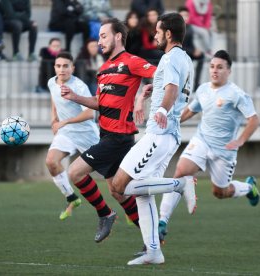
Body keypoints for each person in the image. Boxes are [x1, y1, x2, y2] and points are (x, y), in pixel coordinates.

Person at [110, 12, 196, 265]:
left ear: (169, 34)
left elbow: (172, 89)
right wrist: (151, 92)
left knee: (119, 185)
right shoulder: (185, 58)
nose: (154, 34)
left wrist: (160, 110)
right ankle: (153, 251)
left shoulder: (169, 58)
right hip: (169, 135)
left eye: (158, 31)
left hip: (159, 134)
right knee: (142, 193)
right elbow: (171, 87)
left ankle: (180, 185)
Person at [61, 18, 156, 243]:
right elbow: (99, 103)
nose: (99, 40)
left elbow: (159, 74)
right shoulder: (103, 70)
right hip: (107, 135)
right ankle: (153, 239)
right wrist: (75, 97)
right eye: (99, 36)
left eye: (103, 36)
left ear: (118, 36)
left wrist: (142, 95)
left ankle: (105, 214)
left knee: (74, 172)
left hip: (119, 138)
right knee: (117, 191)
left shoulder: (131, 61)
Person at [157, 50, 260, 245]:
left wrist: (240, 140)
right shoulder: (203, 89)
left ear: (228, 71)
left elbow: (254, 120)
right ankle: (162, 221)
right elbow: (191, 109)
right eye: (212, 66)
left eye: (220, 67)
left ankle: (249, 188)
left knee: (219, 192)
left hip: (224, 151)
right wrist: (172, 122)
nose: (215, 70)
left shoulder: (237, 94)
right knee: (179, 172)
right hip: (202, 141)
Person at [46, 51, 99, 220]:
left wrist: (64, 121)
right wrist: (54, 119)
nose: (62, 69)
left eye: (66, 66)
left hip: (87, 135)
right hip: (67, 134)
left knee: (114, 180)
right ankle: (72, 198)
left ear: (72, 68)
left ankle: (130, 206)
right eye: (58, 66)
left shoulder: (79, 86)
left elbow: (91, 114)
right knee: (51, 162)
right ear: (55, 67)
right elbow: (54, 99)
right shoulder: (51, 83)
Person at [178, 6, 205, 90]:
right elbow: (178, 46)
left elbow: (190, 43)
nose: (184, 17)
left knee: (202, 56)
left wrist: (196, 50)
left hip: (189, 52)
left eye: (186, 15)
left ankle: (196, 83)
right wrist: (193, 50)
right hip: (180, 53)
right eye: (182, 15)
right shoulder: (177, 29)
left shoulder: (189, 27)